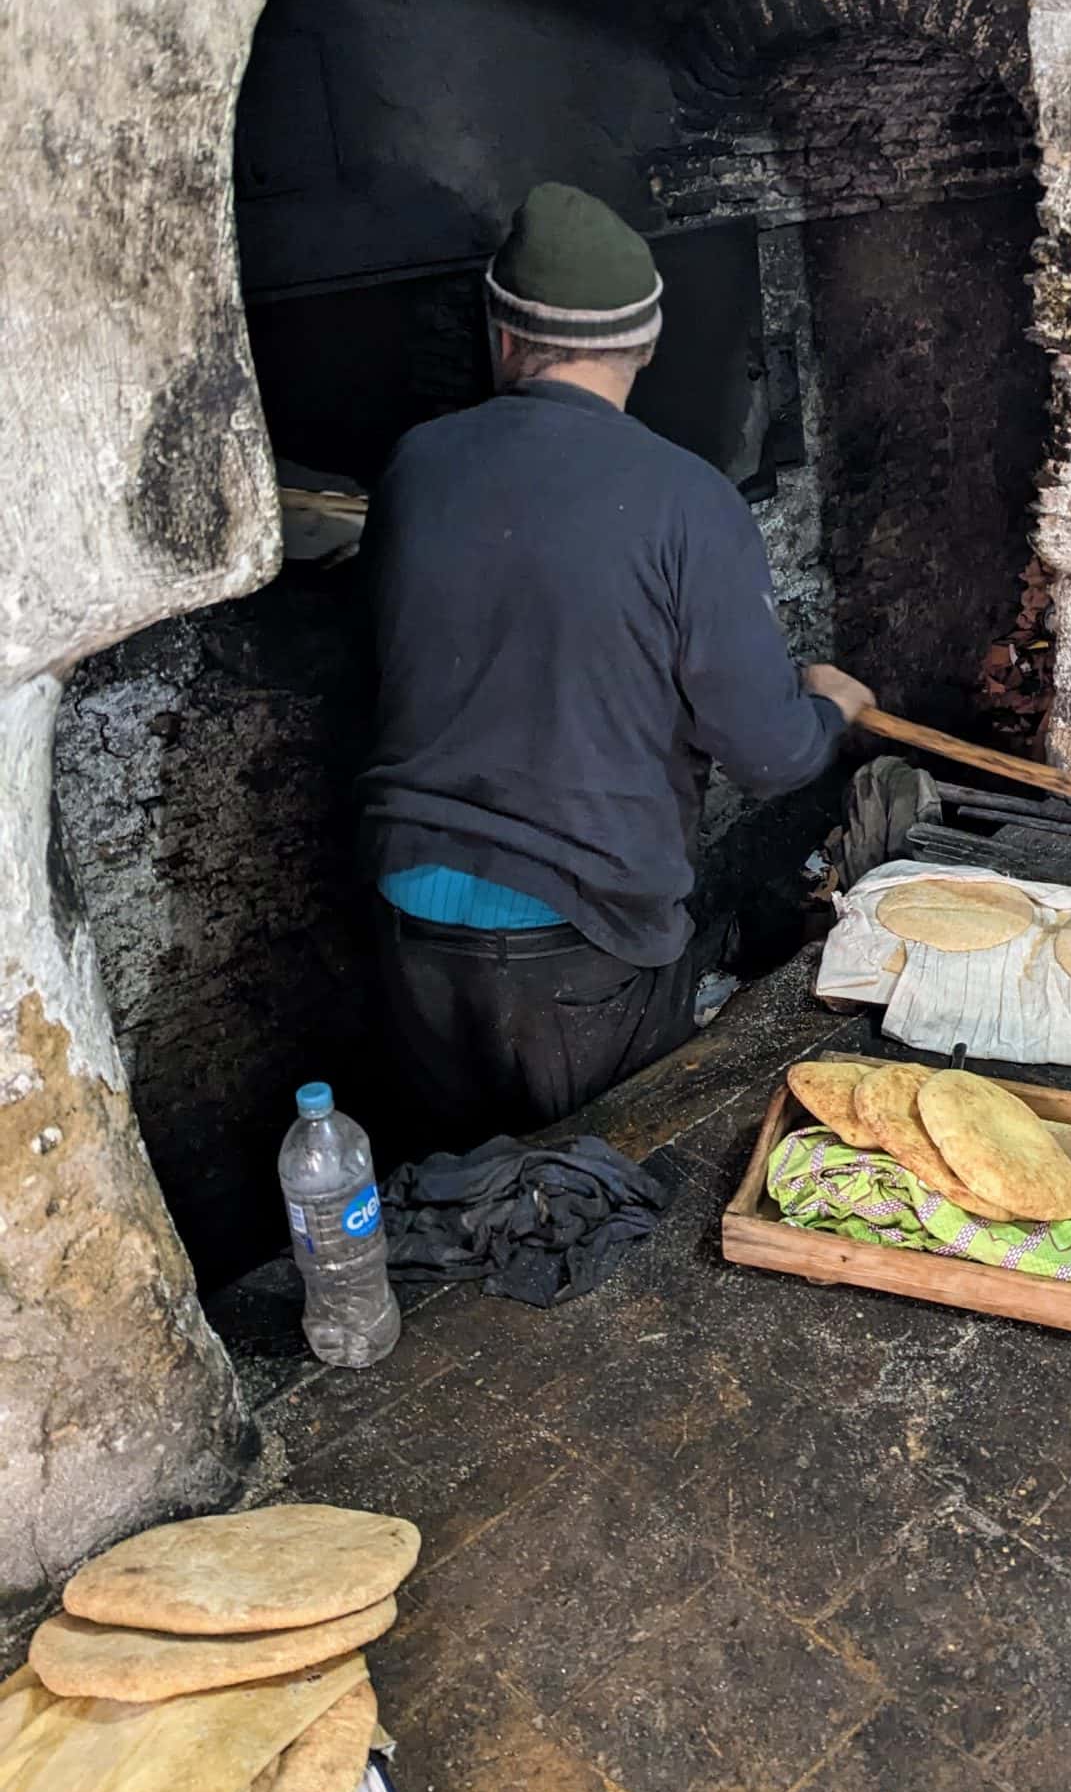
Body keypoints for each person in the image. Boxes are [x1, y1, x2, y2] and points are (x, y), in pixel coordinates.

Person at [358, 182, 874, 1136]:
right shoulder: (688, 500)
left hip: (408, 915)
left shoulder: (413, 467)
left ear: (501, 334)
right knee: (600, 1203)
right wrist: (831, 710)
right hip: (582, 932)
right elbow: (765, 754)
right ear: (645, 343)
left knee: (457, 1202)